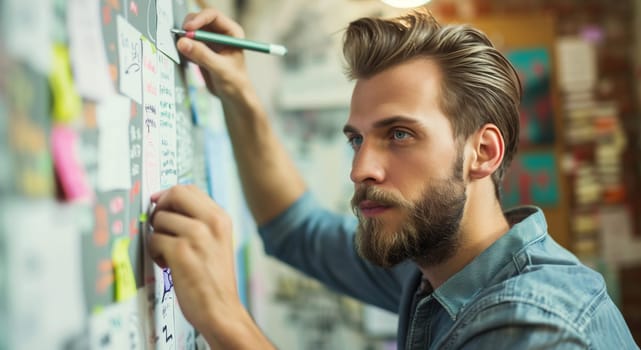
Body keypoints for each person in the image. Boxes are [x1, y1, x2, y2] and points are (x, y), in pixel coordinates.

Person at [147, 7, 638, 350]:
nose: (361, 169)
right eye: (357, 139)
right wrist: (238, 93)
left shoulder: (534, 326)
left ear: (482, 153)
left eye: (399, 134)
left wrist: (223, 317)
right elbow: (298, 231)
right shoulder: (433, 263)